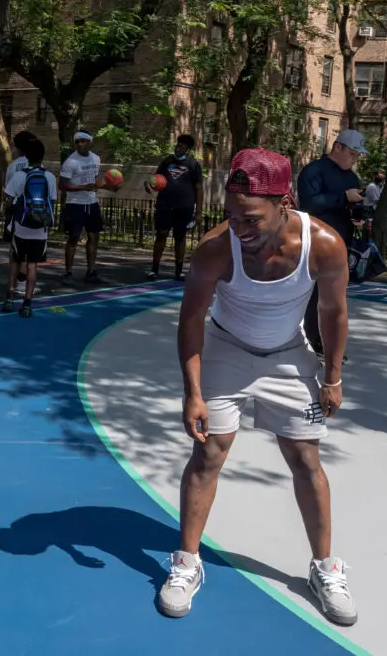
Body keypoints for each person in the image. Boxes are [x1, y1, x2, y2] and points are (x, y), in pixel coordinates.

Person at [160, 148, 355, 627]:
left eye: (250, 219)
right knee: (208, 454)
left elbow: (333, 314)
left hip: (289, 353)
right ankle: (187, 562)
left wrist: (332, 377)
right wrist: (194, 391)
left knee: (306, 459)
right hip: (226, 348)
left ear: (284, 202)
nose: (239, 228)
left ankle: (325, 568)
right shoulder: (215, 248)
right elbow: (191, 320)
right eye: (231, 215)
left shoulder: (324, 245)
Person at [297, 128, 366, 359]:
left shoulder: (352, 178)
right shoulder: (314, 171)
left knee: (334, 297)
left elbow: (346, 207)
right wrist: (343, 197)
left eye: (357, 155)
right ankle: (309, 339)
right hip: (314, 243)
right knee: (312, 295)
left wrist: (357, 213)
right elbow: (309, 205)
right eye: (352, 154)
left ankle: (328, 343)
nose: (354, 159)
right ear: (338, 147)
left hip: (340, 244)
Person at [1, 138, 55, 317]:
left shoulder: (19, 176)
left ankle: (9, 298)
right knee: (32, 265)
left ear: (26, 156)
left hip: (21, 226)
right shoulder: (50, 177)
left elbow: (8, 201)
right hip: (40, 230)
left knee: (15, 261)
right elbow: (52, 202)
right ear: (42, 156)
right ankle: (27, 303)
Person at [147, 134, 203, 281]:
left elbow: (198, 188)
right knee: (161, 234)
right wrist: (148, 184)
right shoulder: (167, 161)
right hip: (165, 205)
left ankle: (178, 271)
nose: (178, 148)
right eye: (177, 145)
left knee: (180, 237)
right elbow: (155, 180)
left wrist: (198, 211)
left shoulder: (193, 164)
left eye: (182, 146)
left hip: (184, 207)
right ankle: (154, 269)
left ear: (187, 149)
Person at [59, 131, 111, 284]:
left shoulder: (95, 158)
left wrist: (109, 186)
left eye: (83, 141)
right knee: (74, 237)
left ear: (90, 142)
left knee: (94, 237)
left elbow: (95, 180)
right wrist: (84, 187)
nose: (80, 144)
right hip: (75, 204)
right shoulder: (71, 162)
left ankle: (91, 271)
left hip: (92, 203)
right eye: (77, 142)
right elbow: (62, 185)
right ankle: (68, 272)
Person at [4, 131, 37, 293]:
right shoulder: (35, 163)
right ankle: (23, 282)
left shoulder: (13, 166)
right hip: (31, 209)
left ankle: (14, 283)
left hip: (15, 208)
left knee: (15, 248)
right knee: (29, 248)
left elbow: (8, 191)